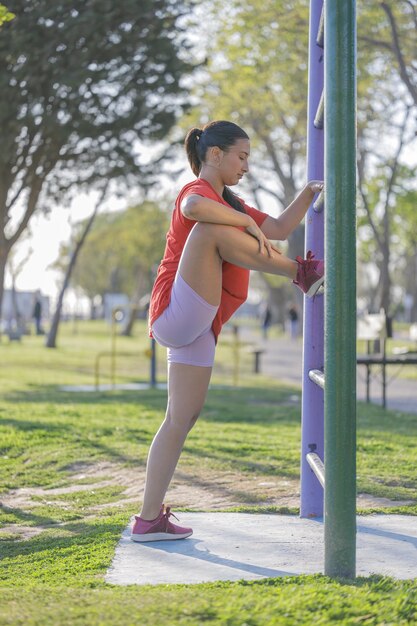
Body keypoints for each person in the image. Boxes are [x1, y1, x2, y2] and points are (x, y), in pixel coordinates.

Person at [131, 120, 324, 542]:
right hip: (174, 310)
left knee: (182, 418)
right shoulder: (196, 193)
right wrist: (247, 227)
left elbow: (276, 228)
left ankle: (148, 519)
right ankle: (300, 273)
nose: (246, 166)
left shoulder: (231, 203)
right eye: (242, 156)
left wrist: (308, 193)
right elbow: (195, 212)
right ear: (213, 155)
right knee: (211, 230)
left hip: (199, 322)